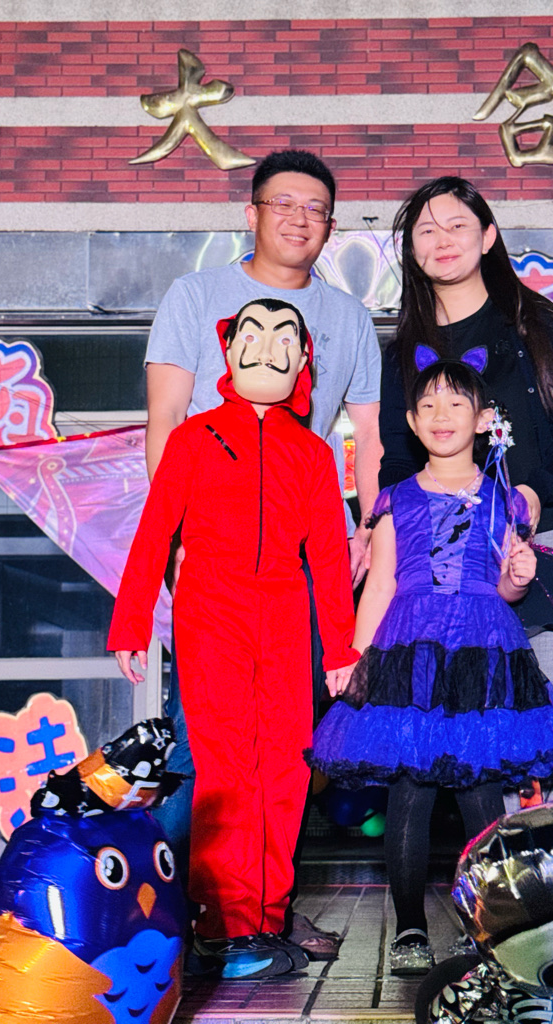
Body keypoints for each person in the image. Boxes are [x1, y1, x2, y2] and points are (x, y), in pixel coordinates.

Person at [145, 149, 382, 957]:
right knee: (204, 746)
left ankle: (264, 911)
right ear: (251, 213)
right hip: (213, 559)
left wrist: (365, 526)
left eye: (316, 208)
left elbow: (368, 437)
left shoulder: (348, 317)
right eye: (284, 203)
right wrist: (178, 539)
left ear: (331, 226)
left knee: (286, 748)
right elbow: (166, 419)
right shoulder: (195, 296)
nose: (299, 219)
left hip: (298, 559)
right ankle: (182, 914)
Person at [308, 355, 553, 977]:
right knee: (409, 791)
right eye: (428, 404)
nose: (441, 415)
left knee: (480, 791)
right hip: (408, 654)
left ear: (484, 419)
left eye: (457, 403)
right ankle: (409, 928)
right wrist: (352, 657)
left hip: (482, 653)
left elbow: (506, 590)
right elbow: (379, 586)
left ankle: (485, 928)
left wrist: (519, 577)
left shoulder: (506, 500)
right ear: (411, 421)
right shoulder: (396, 499)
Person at [109, 298, 359, 979]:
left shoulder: (312, 453)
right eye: (252, 332)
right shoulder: (194, 438)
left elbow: (329, 556)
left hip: (285, 609)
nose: (266, 346)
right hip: (210, 607)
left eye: (284, 337)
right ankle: (222, 929)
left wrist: (340, 647)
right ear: (228, 349)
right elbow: (156, 530)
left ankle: (266, 919)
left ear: (303, 359)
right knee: (224, 768)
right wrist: (132, 622)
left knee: (286, 764)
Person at [380, 176, 553, 801]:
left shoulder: (537, 325)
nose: (443, 240)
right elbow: (396, 463)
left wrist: (533, 491)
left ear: (488, 236)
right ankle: (506, 866)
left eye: (458, 225)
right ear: (412, 250)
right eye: (426, 230)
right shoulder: (402, 352)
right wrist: (386, 540)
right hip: (457, 566)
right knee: (485, 737)